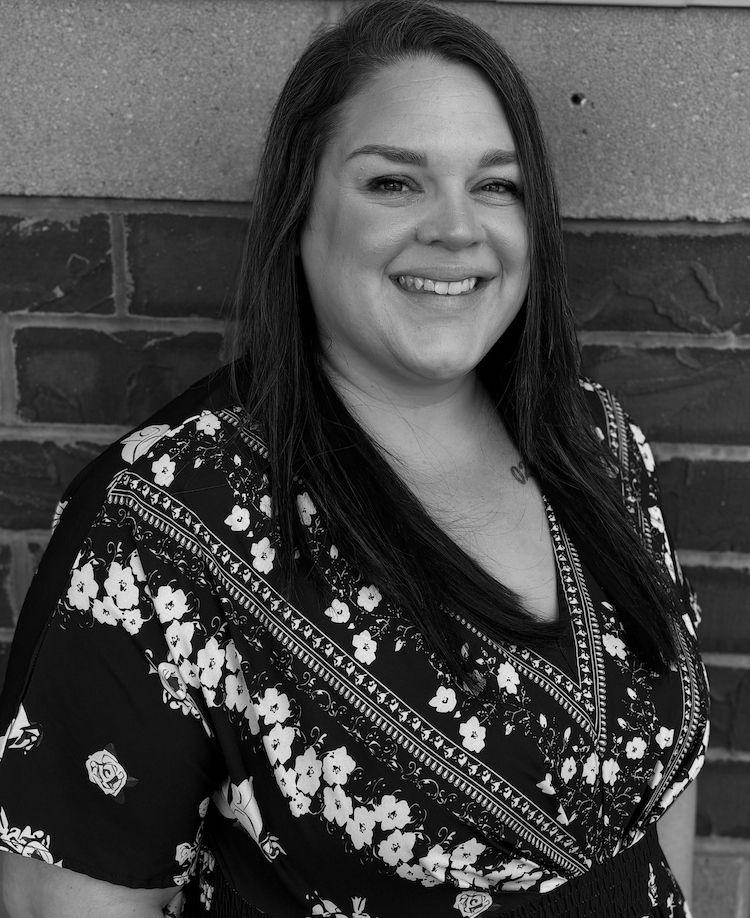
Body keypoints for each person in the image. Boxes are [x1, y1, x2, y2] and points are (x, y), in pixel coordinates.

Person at [0, 1, 709, 916]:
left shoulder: (600, 444)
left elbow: (665, 785)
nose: (458, 229)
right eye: (394, 184)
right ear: (300, 210)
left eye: (498, 186)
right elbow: (60, 903)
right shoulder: (166, 520)